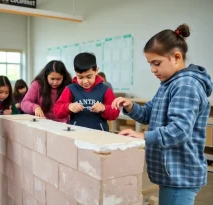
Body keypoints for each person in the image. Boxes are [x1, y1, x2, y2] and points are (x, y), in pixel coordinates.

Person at [111, 24, 212, 205]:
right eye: (150, 64)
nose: (152, 70)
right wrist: (130, 106)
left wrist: (142, 136)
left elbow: (180, 130)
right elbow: (150, 113)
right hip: (171, 172)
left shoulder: (186, 85)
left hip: (180, 174)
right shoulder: (168, 84)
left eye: (156, 63)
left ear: (176, 57)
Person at [53, 52, 119, 131]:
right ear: (75, 72)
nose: (85, 81)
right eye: (80, 77)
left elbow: (115, 114)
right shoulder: (70, 89)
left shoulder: (105, 90)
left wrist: (104, 108)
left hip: (100, 135)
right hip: (76, 134)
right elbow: (57, 111)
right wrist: (69, 106)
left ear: (96, 71)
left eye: (89, 76)